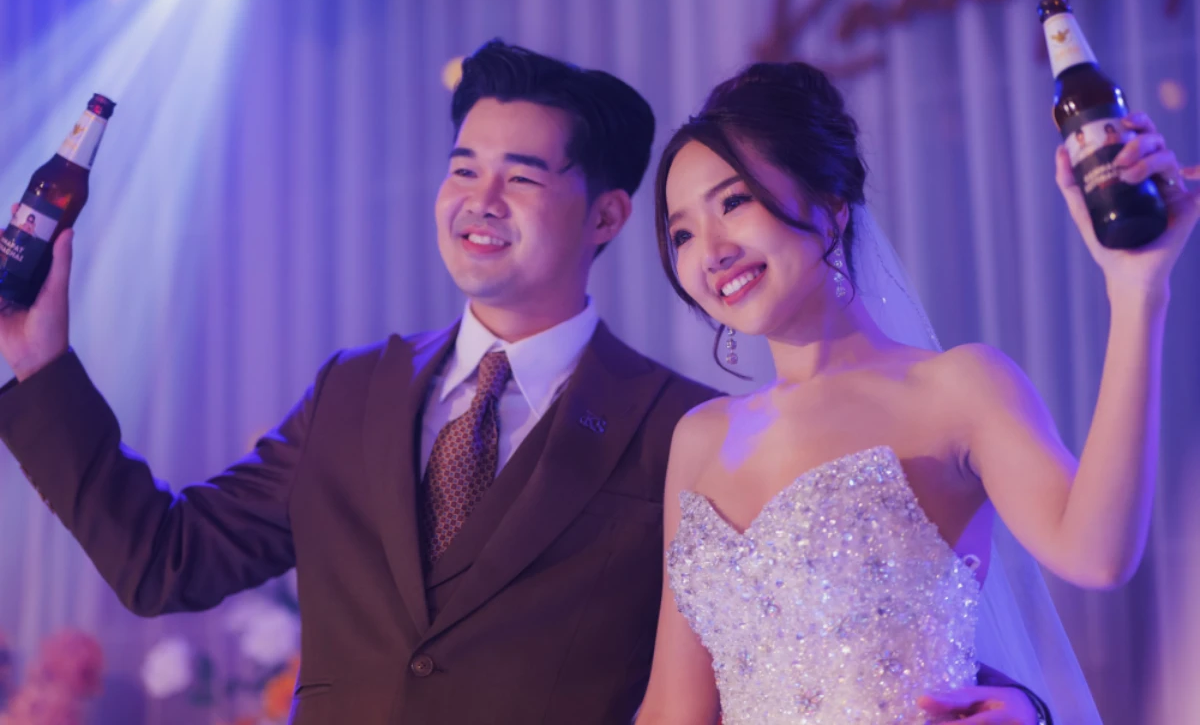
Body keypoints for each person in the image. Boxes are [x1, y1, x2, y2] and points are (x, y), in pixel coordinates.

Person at [0, 42, 1050, 724]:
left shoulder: (689, 430)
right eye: (464, 167)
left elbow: (850, 615)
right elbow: (166, 560)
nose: (479, 198)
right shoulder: (352, 393)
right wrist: (40, 359)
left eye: (522, 175)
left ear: (607, 216)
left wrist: (1022, 710)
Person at [637, 61, 1196, 724]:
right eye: (681, 233)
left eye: (733, 203)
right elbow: (673, 710)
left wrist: (1137, 290)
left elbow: (1098, 555)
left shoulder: (956, 389)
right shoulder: (699, 438)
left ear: (831, 206)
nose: (711, 251)